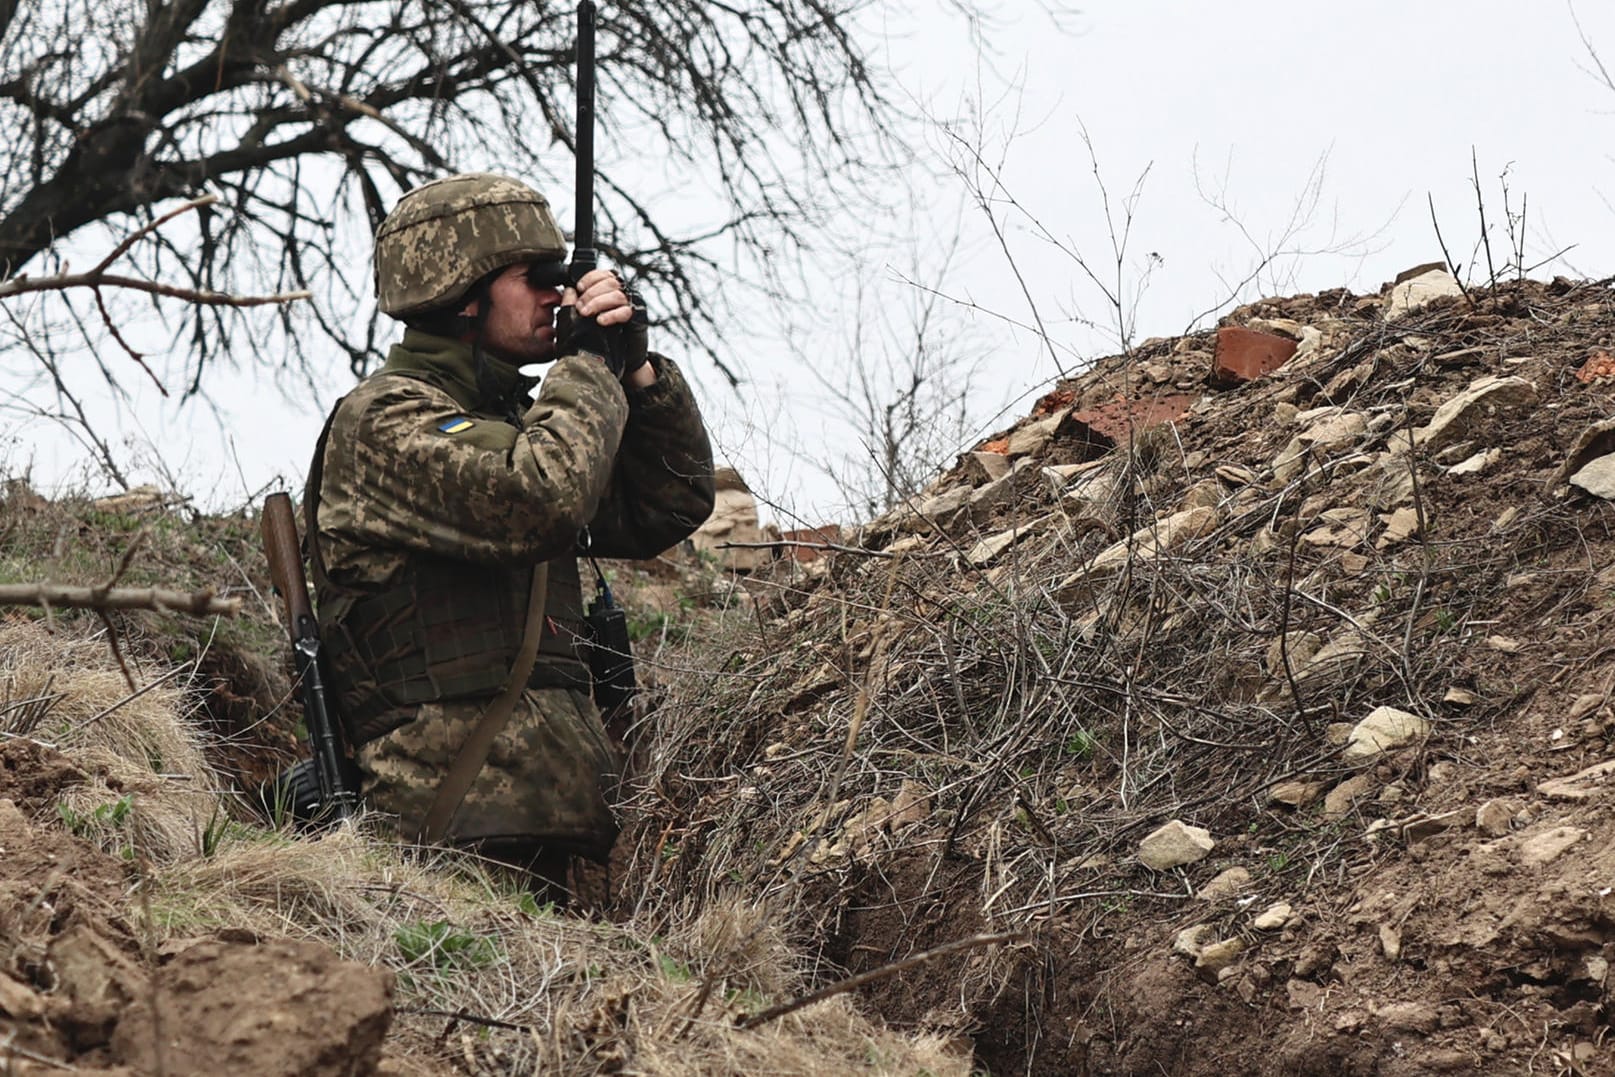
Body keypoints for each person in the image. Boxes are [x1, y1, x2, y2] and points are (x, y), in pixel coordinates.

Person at [304, 172, 715, 898]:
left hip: (551, 824)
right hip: (439, 838)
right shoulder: (384, 423)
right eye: (536, 278)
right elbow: (541, 497)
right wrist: (588, 366)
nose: (558, 296)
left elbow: (669, 504)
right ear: (461, 293)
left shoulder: (523, 425)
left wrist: (638, 371)